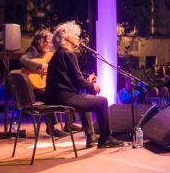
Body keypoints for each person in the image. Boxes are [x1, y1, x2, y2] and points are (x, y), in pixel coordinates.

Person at [45, 21, 123, 149]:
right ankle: (106, 138)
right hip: (64, 98)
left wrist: (86, 81)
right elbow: (78, 81)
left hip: (56, 97)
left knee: (85, 97)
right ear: (67, 38)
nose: (78, 38)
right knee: (102, 101)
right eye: (75, 35)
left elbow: (70, 81)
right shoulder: (68, 54)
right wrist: (92, 85)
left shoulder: (58, 54)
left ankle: (92, 136)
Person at [20, 29, 67, 138]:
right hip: (33, 92)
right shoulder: (33, 50)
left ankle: (68, 125)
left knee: (63, 91)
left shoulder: (48, 54)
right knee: (51, 95)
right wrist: (39, 67)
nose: (50, 45)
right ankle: (51, 128)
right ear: (41, 41)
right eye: (48, 42)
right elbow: (22, 60)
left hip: (42, 87)